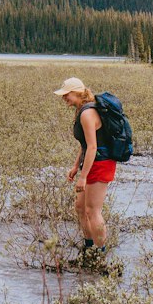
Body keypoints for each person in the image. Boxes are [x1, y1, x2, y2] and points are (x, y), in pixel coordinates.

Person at [54, 77, 115, 263]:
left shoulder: (87, 114)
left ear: (78, 93)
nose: (64, 98)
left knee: (93, 211)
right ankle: (88, 249)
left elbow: (93, 147)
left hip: (101, 163)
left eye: (67, 94)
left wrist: (83, 177)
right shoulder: (81, 110)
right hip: (90, 163)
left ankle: (101, 255)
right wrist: (75, 166)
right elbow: (84, 145)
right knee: (80, 208)